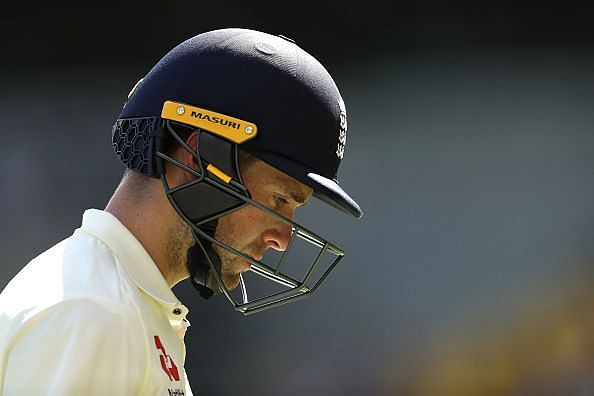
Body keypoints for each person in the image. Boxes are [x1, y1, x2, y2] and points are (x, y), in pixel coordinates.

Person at [0, 28, 362, 395]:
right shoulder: (95, 311)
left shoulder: (125, 308)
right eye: (280, 200)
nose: (282, 239)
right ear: (199, 159)